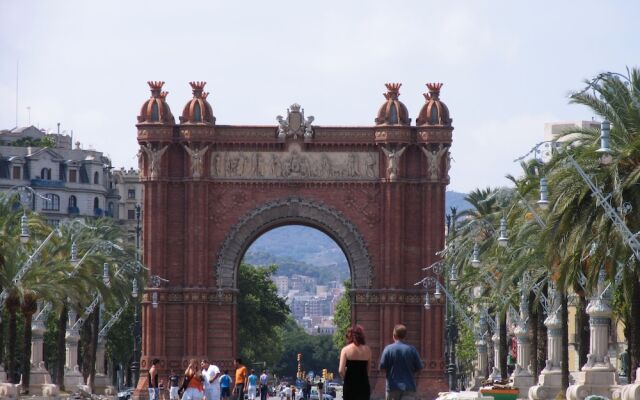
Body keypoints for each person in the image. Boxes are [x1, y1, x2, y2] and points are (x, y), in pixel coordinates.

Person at [379, 324, 425, 400]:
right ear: (405, 336)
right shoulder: (412, 349)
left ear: (394, 335)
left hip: (392, 388)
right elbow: (419, 368)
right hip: (409, 387)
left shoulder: (388, 349)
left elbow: (382, 368)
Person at [339, 325, 371, 400]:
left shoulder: (345, 350)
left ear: (350, 336)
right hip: (364, 385)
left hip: (350, 385)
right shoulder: (368, 350)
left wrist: (346, 378)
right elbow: (368, 370)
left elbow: (341, 370)